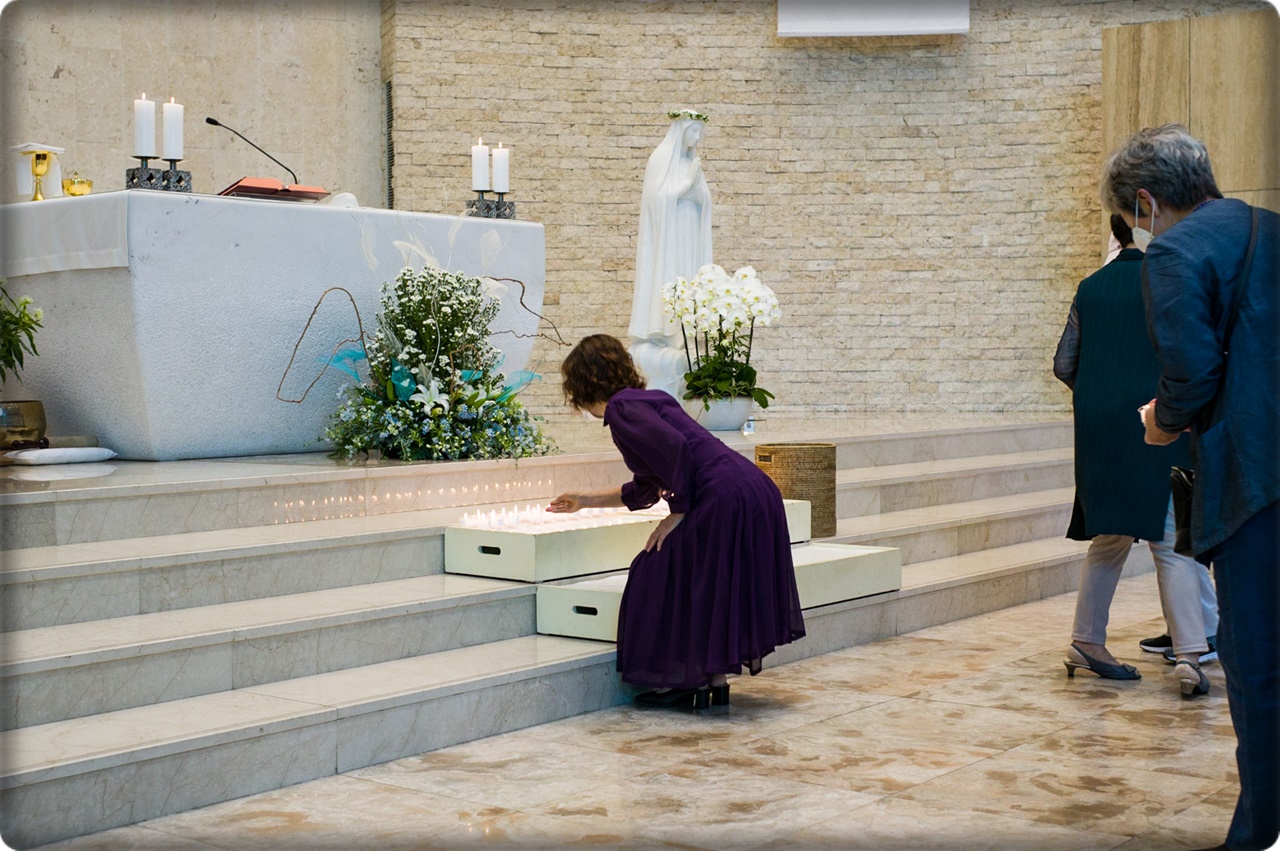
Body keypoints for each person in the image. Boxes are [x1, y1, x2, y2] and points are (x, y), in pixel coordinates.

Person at [1103, 123, 1277, 851]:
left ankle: (1258, 833)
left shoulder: (1175, 252)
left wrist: (1161, 422)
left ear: (1146, 201)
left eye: (1133, 215)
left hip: (1256, 479)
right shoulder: (1269, 226)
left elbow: (1192, 372)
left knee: (1257, 660)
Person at [550, 334, 805, 709]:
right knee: (706, 578)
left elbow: (676, 450)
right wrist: (585, 500)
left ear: (582, 383)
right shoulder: (648, 400)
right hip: (749, 489)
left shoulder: (622, 409)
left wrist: (677, 512)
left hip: (723, 495)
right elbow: (647, 485)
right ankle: (712, 680)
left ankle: (684, 680)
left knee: (653, 571)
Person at [1054, 214, 1215, 697]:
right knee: (1169, 535)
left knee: (1109, 537)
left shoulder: (1090, 287)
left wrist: (1101, 393)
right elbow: (1190, 358)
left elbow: (1064, 363)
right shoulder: (1167, 280)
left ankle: (1086, 642)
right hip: (1155, 418)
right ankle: (1189, 656)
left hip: (1099, 426)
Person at [628, 110, 713, 400]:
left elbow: (704, 199)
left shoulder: (692, 162)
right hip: (669, 239)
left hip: (689, 232)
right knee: (670, 283)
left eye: (700, 133)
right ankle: (664, 332)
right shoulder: (661, 158)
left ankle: (684, 333)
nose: (697, 138)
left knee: (689, 279)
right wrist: (685, 186)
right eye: (693, 132)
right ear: (681, 130)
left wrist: (698, 193)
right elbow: (655, 201)